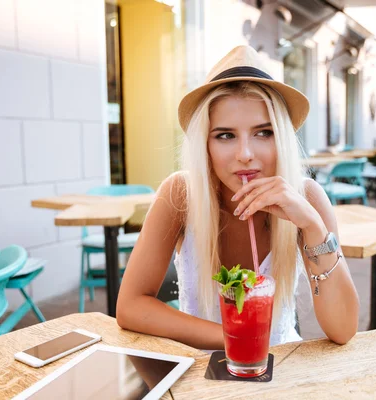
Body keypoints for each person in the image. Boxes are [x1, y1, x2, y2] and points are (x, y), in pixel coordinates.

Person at [116, 45, 359, 350]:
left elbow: (344, 329)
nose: (245, 155)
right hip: (201, 374)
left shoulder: (307, 197)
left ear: (281, 138)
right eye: (226, 136)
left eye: (263, 133)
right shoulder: (180, 194)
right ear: (205, 144)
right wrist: (234, 337)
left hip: (280, 370)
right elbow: (130, 306)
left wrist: (312, 225)